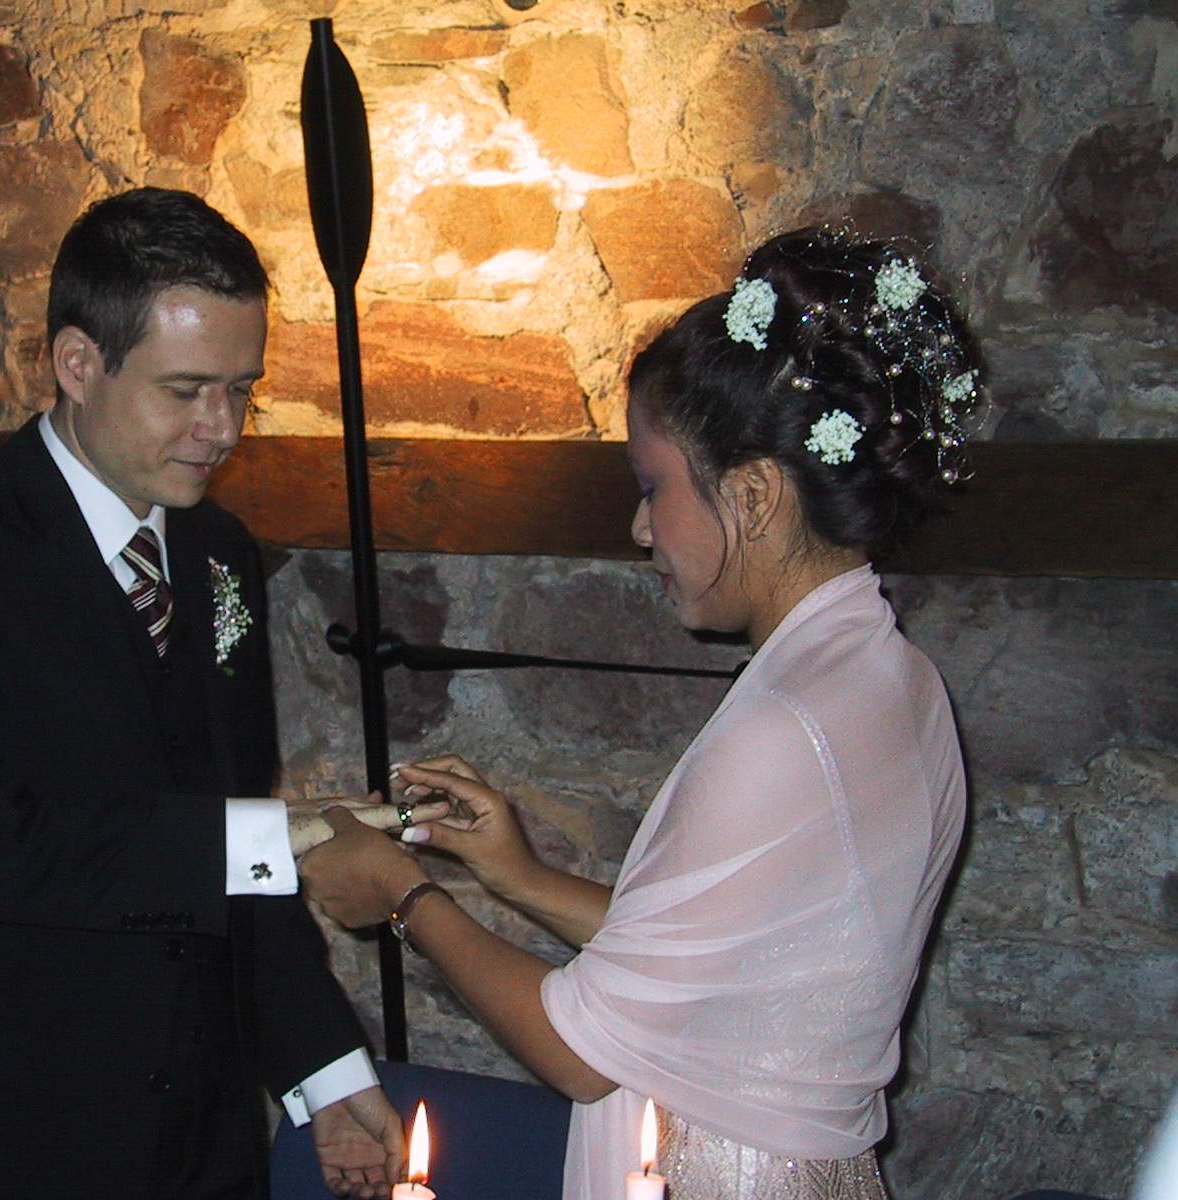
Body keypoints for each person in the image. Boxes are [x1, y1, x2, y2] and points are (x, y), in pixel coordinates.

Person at [302, 227, 981, 1199]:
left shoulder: (783, 728)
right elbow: (712, 968)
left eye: (653, 487)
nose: (637, 528)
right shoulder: (892, 675)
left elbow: (582, 1053)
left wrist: (404, 894)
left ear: (753, 495)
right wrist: (517, 875)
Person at [0, 187, 440, 1200]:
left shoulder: (218, 553)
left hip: (197, 1143)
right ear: (78, 364)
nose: (222, 428)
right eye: (186, 390)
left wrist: (325, 1072)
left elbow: (239, 838)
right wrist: (258, 837)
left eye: (241, 390)